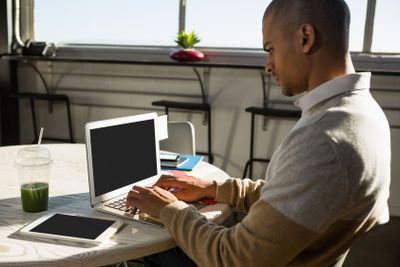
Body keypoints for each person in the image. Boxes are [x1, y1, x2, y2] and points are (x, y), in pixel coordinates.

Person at [126, 0, 391, 266]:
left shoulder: (325, 139)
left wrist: (169, 210)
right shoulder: (362, 113)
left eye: (271, 49)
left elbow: (232, 258)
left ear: (305, 38)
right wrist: (216, 188)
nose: (268, 65)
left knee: (139, 240)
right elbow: (298, 196)